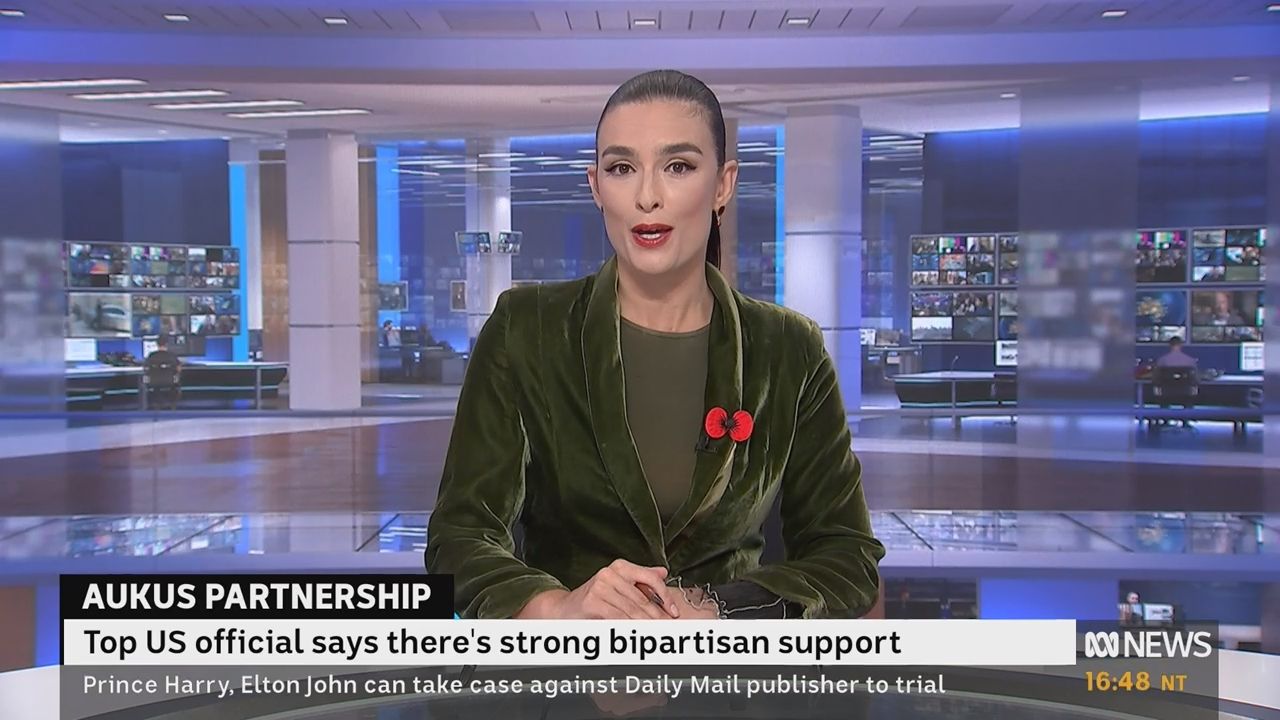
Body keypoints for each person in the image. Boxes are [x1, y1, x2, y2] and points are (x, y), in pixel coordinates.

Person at [425, 69, 884, 621]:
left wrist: (717, 608)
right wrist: (559, 608)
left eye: (678, 166)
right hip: (570, 668)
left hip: (729, 671)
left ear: (723, 185)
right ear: (596, 187)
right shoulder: (526, 329)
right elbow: (459, 537)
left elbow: (847, 558)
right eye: (622, 169)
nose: (647, 197)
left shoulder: (789, 349)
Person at [1153, 337, 1197, 427]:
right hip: (1185, 393)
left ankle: (1165, 421)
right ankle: (1185, 422)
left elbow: (1156, 378)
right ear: (1181, 345)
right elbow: (1195, 379)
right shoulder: (1190, 360)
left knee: (1163, 398)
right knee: (1189, 396)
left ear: (1169, 345)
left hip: (1166, 394)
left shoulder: (1162, 360)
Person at [143, 337, 181, 410]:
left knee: (154, 387)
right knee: (176, 385)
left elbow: (145, 368)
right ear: (166, 344)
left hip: (154, 381)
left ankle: (156, 404)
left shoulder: (151, 355)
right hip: (169, 381)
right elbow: (178, 368)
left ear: (157, 344)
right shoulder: (172, 355)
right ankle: (172, 405)